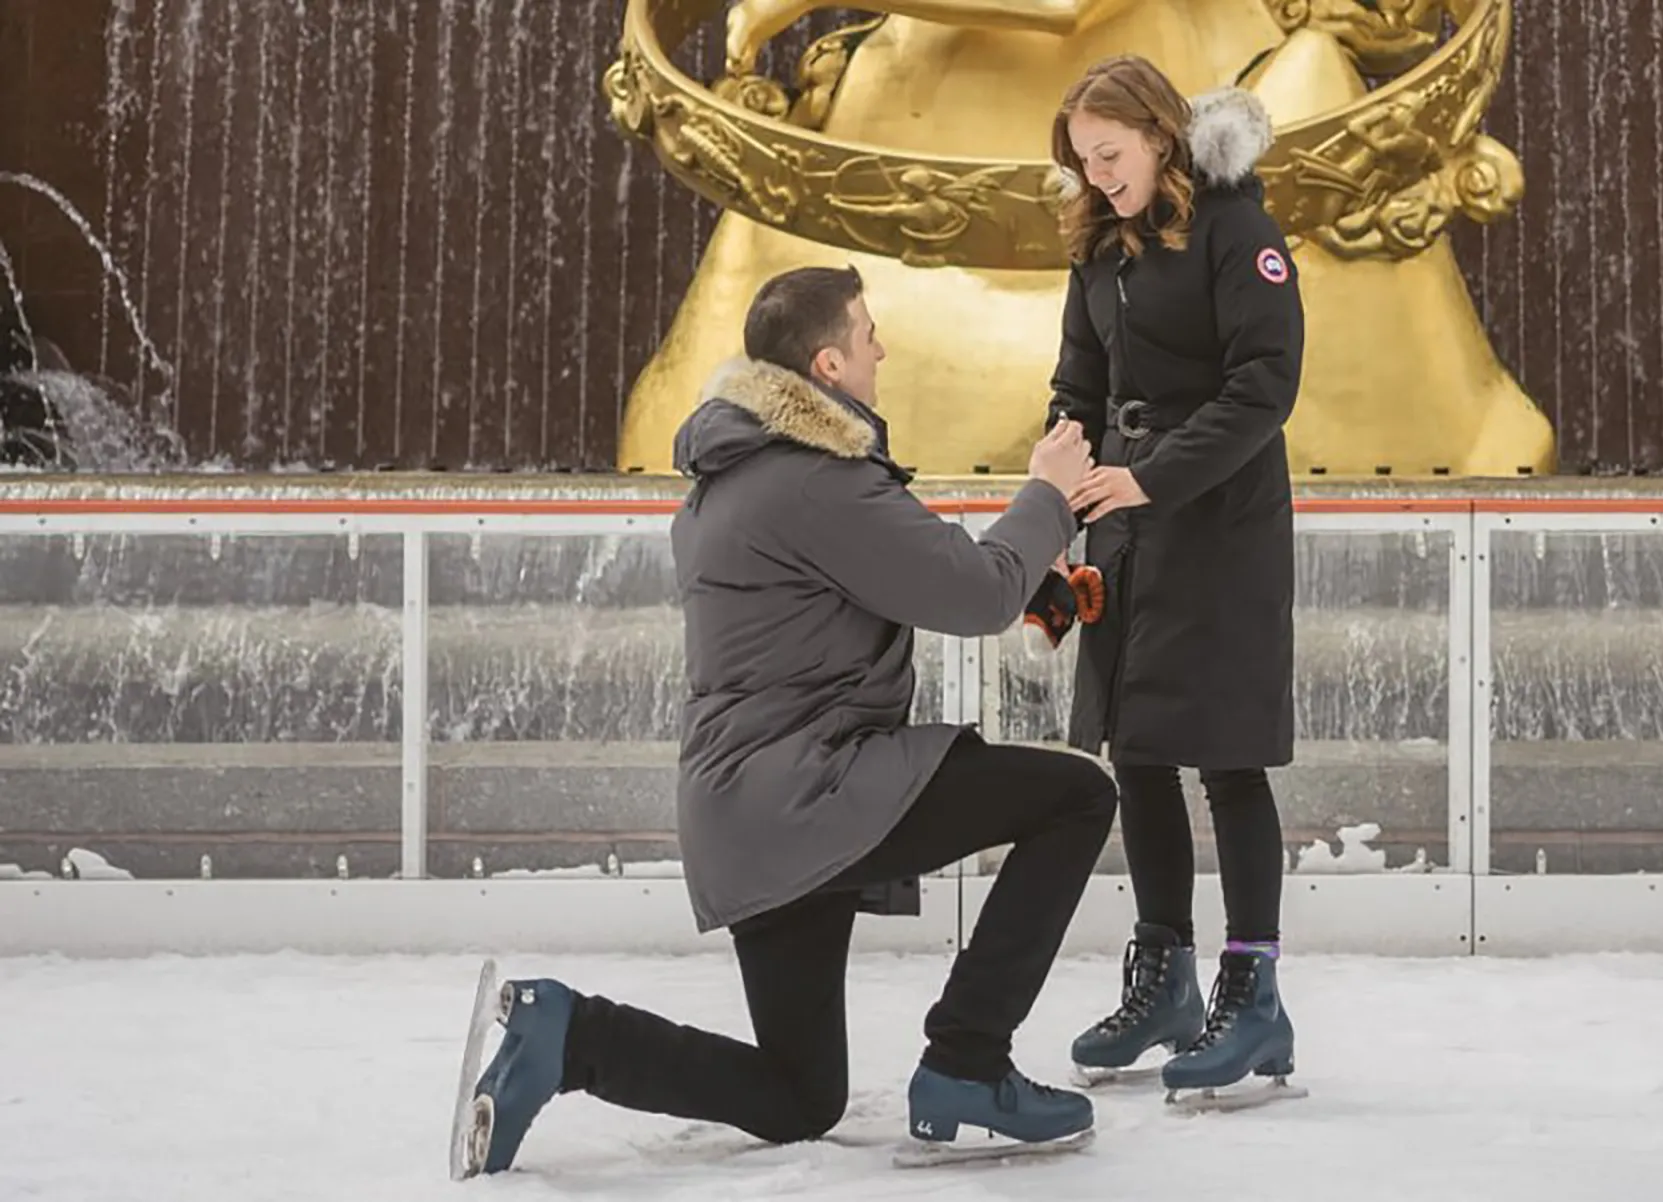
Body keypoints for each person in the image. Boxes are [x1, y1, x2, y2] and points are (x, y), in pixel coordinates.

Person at [451, 264, 1120, 1178]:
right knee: (1076, 795)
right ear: (829, 364)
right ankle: (968, 1060)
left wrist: (1028, 573)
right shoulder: (812, 482)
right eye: (867, 332)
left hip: (755, 810)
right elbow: (971, 593)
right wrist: (1046, 493)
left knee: (800, 1095)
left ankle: (568, 1036)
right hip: (806, 794)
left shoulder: (744, 477)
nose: (881, 346)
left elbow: (880, 584)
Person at [1043, 55, 1306, 1100]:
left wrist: (1149, 476)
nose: (1098, 176)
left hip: (1220, 522)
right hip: (1121, 521)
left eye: (1110, 155)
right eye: (1082, 161)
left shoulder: (1237, 227)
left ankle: (1256, 991)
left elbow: (1265, 388)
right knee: (1135, 749)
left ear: (1159, 136)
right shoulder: (1099, 242)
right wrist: (1058, 502)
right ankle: (1165, 979)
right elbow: (1076, 382)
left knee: (1228, 757)